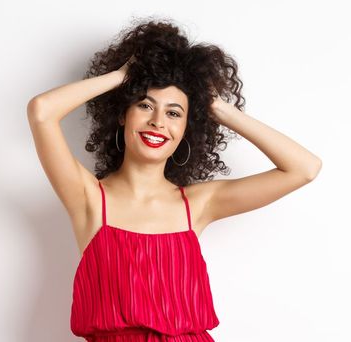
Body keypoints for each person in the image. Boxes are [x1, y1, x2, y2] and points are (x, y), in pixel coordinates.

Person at [27, 18, 321, 341]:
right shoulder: (90, 199)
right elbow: (41, 112)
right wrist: (123, 77)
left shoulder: (197, 204)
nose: (157, 122)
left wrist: (217, 108)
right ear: (123, 114)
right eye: (144, 105)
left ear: (186, 129)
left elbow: (304, 168)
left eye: (174, 113)